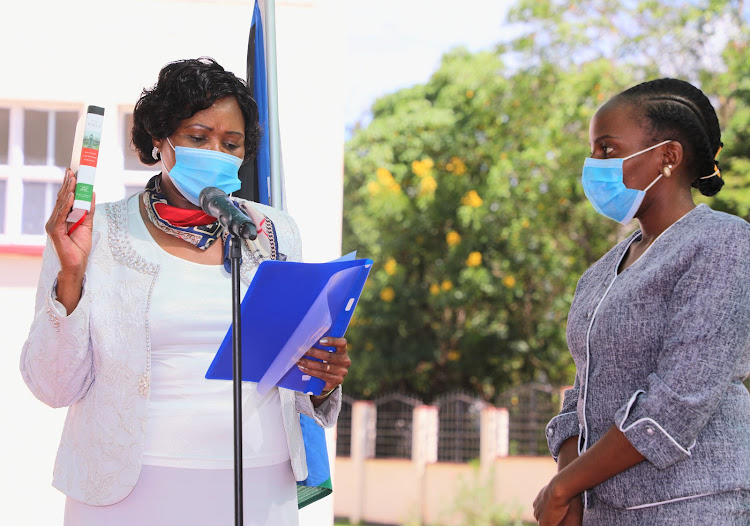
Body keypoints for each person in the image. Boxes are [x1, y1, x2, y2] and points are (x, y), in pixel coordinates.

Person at [20, 57, 350, 526]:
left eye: (230, 143)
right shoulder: (94, 231)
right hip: (128, 491)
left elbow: (289, 368)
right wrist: (70, 277)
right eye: (198, 138)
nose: (216, 152)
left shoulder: (272, 231)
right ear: (160, 140)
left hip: (258, 482)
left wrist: (321, 377)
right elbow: (52, 387)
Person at [533, 78, 750, 525]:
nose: (594, 166)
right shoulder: (600, 271)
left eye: (608, 150)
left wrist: (565, 485)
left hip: (695, 507)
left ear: (667, 157)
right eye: (592, 152)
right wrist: (570, 485)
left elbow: (679, 401)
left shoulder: (723, 244)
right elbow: (583, 389)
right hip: (605, 512)